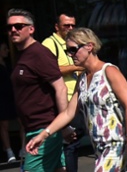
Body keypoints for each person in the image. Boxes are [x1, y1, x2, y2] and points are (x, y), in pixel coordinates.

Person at [26, 27, 127, 171]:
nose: (70, 55)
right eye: (68, 51)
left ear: (89, 46)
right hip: (99, 147)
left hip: (115, 144)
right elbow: (68, 112)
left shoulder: (109, 71)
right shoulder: (82, 78)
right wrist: (43, 135)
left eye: (73, 49)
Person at [6, 8, 68, 172]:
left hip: (44, 128)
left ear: (31, 29)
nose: (13, 30)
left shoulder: (39, 53)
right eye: (10, 27)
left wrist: (64, 124)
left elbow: (60, 88)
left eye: (18, 26)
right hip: (33, 129)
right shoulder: (23, 54)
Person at [42, 12, 85, 172]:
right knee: (69, 145)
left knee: (75, 143)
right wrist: (76, 67)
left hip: (78, 101)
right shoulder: (49, 44)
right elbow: (48, 71)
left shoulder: (75, 42)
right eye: (66, 25)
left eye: (73, 25)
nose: (70, 28)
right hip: (62, 103)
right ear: (57, 27)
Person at [0, 40, 18, 163]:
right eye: (4, 48)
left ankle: (23, 148)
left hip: (13, 96)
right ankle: (9, 150)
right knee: (4, 124)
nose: (7, 51)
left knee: (22, 121)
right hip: (1, 98)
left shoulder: (9, 65)